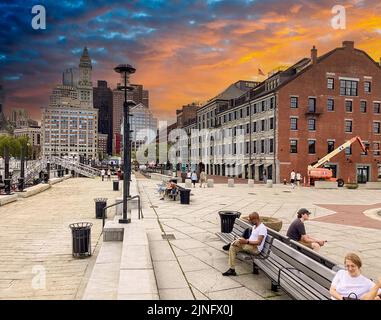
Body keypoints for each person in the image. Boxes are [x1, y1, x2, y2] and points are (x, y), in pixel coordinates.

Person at [222, 212, 267, 276]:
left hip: (255, 249)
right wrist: (245, 240)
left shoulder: (262, 228)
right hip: (249, 245)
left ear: (255, 219)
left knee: (238, 243)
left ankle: (233, 242)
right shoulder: (254, 226)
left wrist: (246, 241)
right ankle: (232, 269)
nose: (250, 221)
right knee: (232, 247)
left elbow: (258, 242)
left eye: (251, 220)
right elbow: (252, 239)